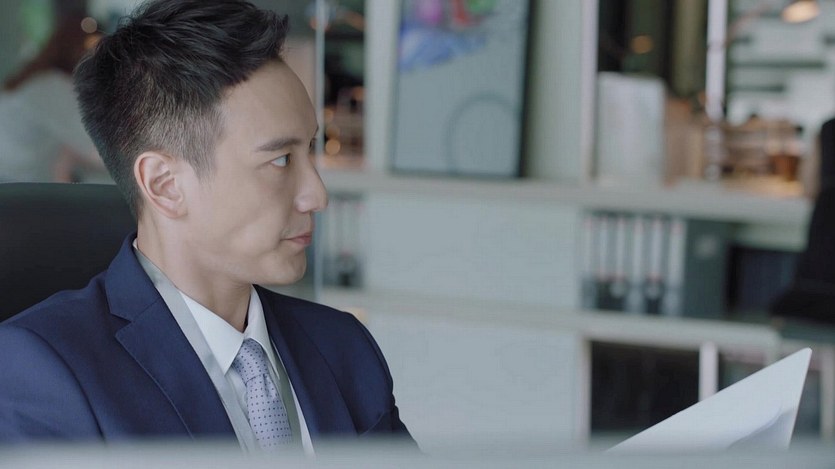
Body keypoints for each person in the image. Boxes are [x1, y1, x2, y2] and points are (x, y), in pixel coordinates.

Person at [0, 0, 414, 453]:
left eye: (309, 150)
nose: (317, 195)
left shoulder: (343, 346)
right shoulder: (48, 370)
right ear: (165, 185)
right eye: (280, 160)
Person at [0, 14, 103, 182]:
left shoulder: (40, 78)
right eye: (91, 46)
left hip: (17, 176)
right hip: (11, 181)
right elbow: (95, 151)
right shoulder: (52, 87)